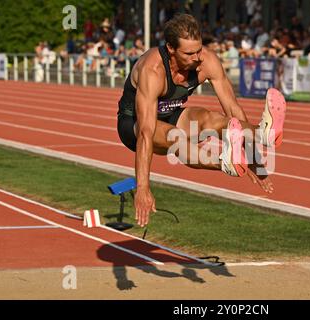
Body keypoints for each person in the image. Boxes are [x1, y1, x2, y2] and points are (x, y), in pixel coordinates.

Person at [117, 14, 287, 227]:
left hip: (172, 113)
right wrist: (143, 188)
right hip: (134, 125)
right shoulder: (153, 69)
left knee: (213, 119)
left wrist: (252, 159)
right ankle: (223, 163)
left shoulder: (207, 60)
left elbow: (232, 109)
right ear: (171, 49)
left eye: (198, 50)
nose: (196, 57)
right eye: (188, 53)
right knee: (175, 137)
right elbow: (145, 131)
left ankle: (264, 133)